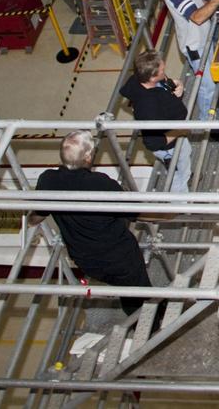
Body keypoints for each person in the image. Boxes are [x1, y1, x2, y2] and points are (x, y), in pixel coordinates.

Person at [32, 130, 151, 315]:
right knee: (138, 292)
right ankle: (150, 323)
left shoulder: (48, 180)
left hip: (86, 261)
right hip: (121, 259)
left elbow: (37, 215)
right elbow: (138, 213)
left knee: (125, 288)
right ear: (88, 157)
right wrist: (174, 213)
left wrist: (30, 218)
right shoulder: (101, 184)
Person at [119, 50, 192, 193]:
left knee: (185, 155)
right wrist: (180, 131)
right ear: (152, 77)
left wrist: (176, 85)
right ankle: (181, 205)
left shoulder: (138, 79)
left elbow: (164, 83)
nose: (164, 73)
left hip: (175, 134)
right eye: (162, 71)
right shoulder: (148, 108)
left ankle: (185, 174)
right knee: (177, 176)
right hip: (169, 147)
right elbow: (152, 142)